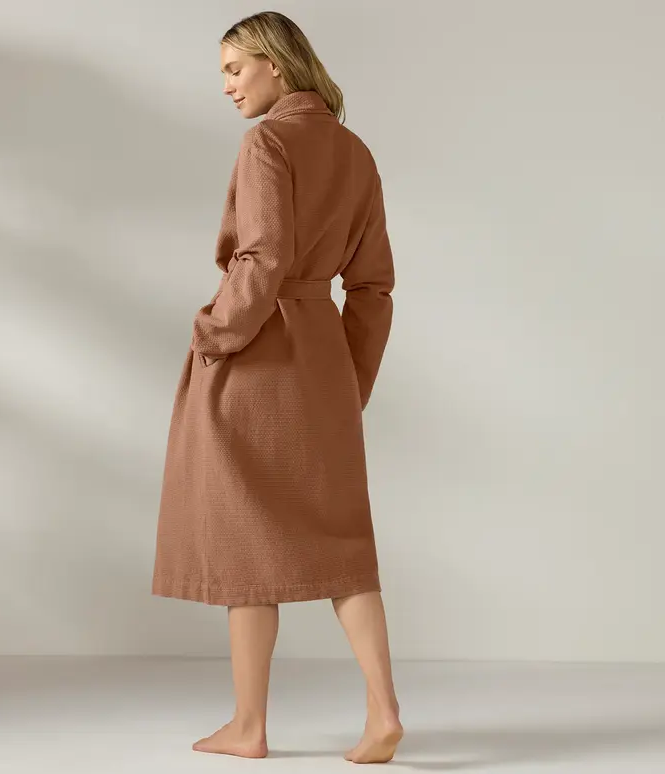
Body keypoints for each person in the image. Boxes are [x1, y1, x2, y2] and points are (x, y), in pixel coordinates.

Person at [151, 10, 400, 764]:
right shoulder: (355, 151)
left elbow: (261, 259)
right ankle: (383, 710)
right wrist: (349, 380)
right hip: (321, 359)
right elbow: (373, 287)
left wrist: (212, 332)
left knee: (242, 541)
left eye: (235, 69)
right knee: (342, 542)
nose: (227, 87)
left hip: (258, 356)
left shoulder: (268, 142)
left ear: (276, 65)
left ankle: (249, 726)